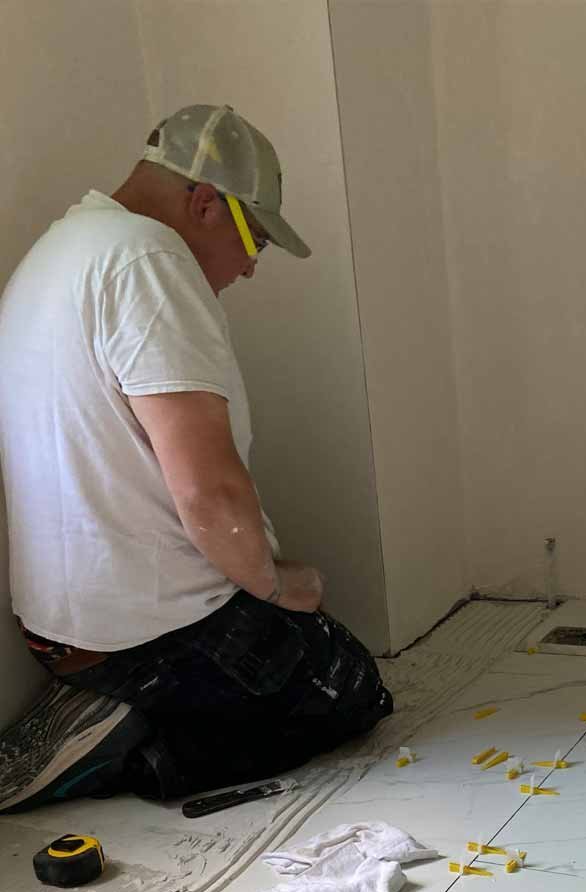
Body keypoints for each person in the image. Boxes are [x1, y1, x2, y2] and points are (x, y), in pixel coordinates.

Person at [0, 104, 391, 812]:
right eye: (256, 241)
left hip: (62, 626)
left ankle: (109, 706)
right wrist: (278, 586)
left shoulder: (61, 250)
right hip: (144, 637)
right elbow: (208, 493)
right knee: (350, 686)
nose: (248, 268)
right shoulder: (151, 263)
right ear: (205, 202)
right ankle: (133, 745)